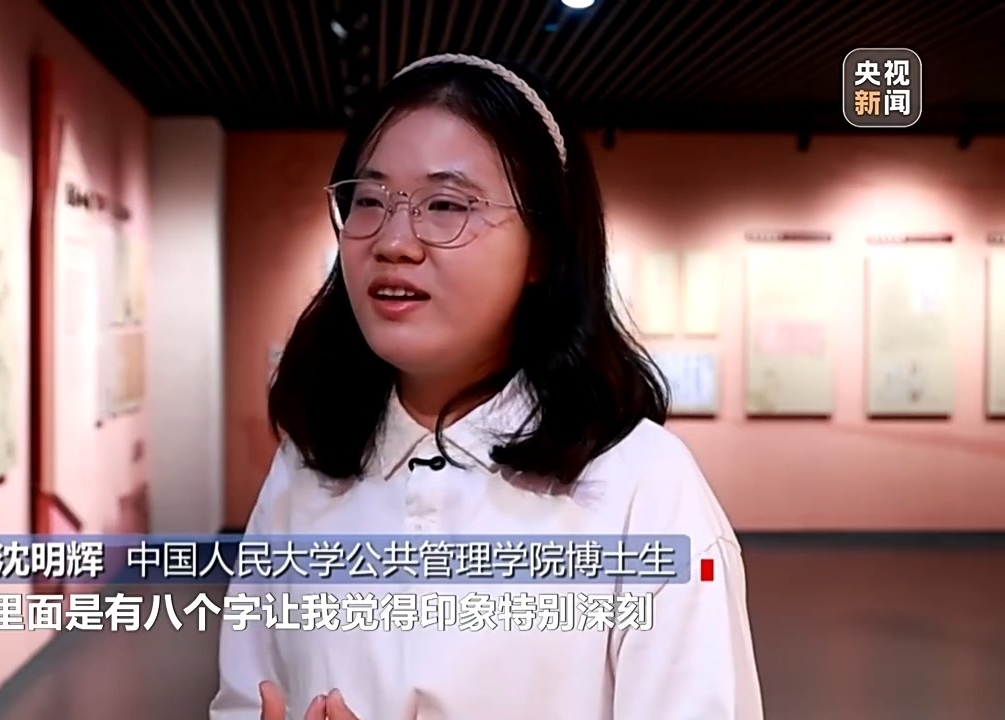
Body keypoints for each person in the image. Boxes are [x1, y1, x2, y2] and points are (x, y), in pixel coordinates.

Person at [210, 53, 763, 720]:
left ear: (543, 248)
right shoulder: (306, 466)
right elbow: (243, 699)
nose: (394, 241)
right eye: (369, 201)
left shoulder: (643, 488)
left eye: (446, 205)